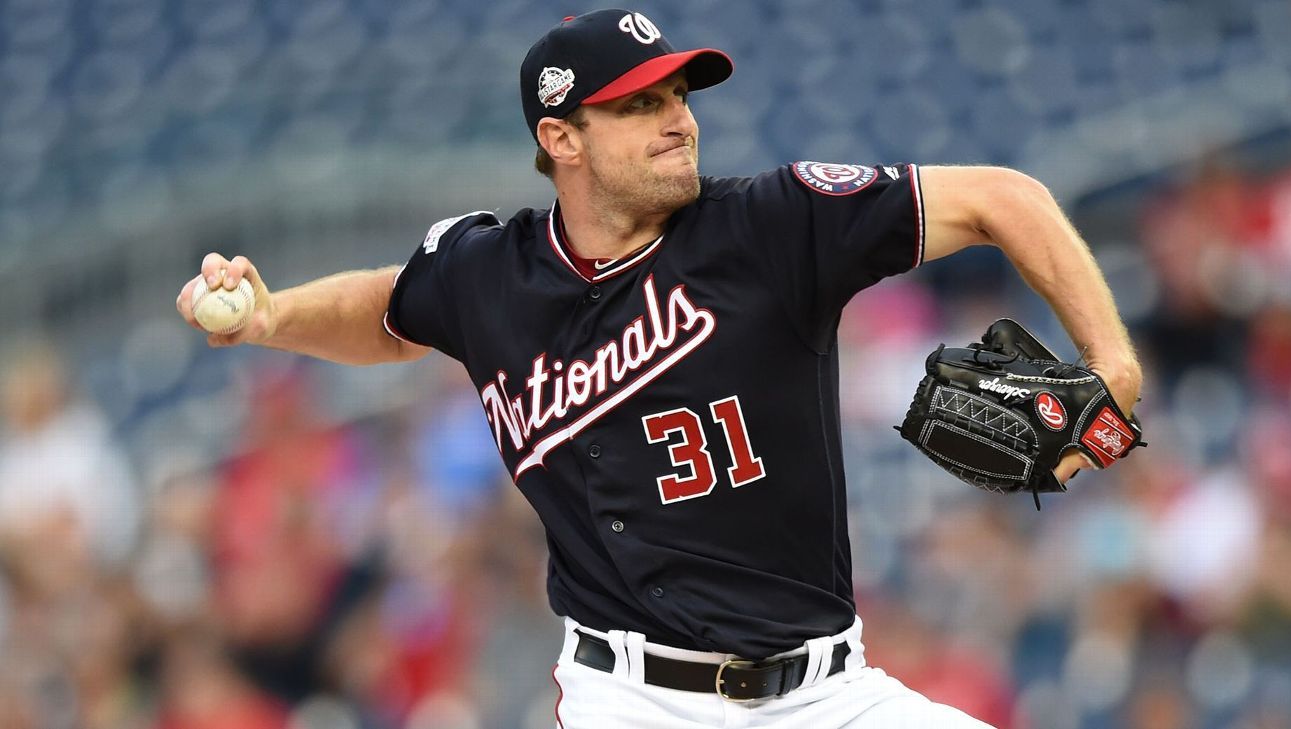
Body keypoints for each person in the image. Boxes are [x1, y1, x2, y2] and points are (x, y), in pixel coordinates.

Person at [176, 9, 1142, 728]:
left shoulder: (771, 223)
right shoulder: (486, 270)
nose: (677, 119)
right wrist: (270, 316)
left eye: (679, 96)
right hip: (630, 699)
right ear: (561, 139)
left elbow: (1004, 199)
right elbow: (389, 312)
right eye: (639, 105)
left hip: (831, 692)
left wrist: (1112, 365)